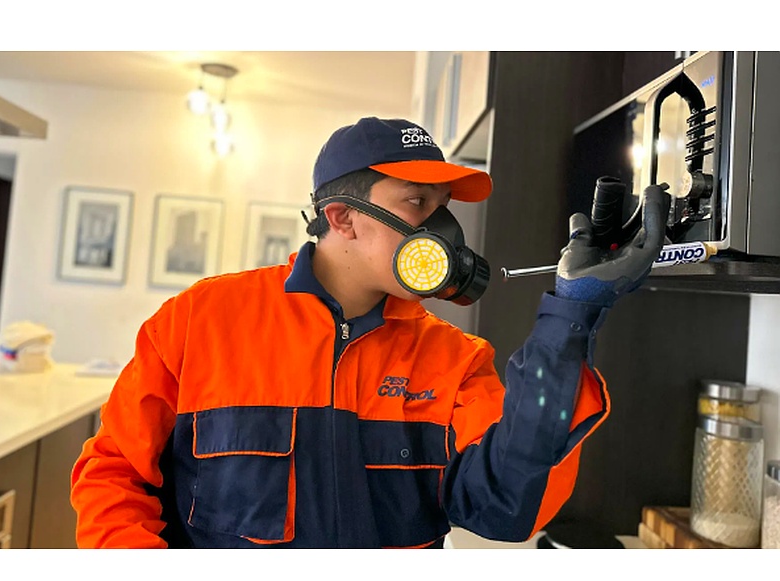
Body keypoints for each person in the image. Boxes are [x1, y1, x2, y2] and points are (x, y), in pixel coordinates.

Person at [70, 116, 670, 548]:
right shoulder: (200, 320)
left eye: (443, 205)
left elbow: (504, 506)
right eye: (417, 203)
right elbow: (114, 474)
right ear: (342, 218)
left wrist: (570, 318)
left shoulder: (455, 359)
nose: (441, 228)